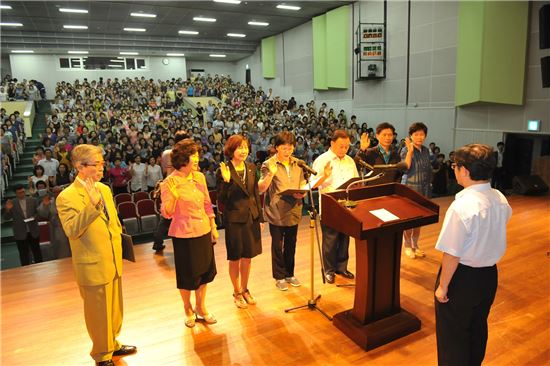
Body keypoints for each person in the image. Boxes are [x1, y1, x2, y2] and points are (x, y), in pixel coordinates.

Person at [55, 144, 136, 366]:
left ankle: (113, 343)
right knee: (98, 313)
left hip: (112, 258)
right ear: (80, 166)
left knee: (115, 307)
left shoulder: (105, 189)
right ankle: (101, 355)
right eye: (97, 164)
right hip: (91, 263)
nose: (102, 167)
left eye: (102, 162)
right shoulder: (66, 197)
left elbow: (113, 221)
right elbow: (72, 230)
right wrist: (91, 206)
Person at [434, 143, 512, 366]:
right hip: (489, 276)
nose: (453, 169)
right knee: (478, 327)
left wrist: (443, 286)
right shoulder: (499, 198)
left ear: (465, 170)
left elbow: (452, 254)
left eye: (455, 166)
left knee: (453, 335)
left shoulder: (462, 206)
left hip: (462, 278)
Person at [160, 139, 219, 328]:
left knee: (204, 272)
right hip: (183, 234)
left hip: (203, 230)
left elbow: (207, 204)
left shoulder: (199, 177)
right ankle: (187, 308)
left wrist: (213, 226)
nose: (196, 159)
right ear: (182, 158)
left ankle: (201, 307)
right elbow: (166, 213)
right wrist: (174, 198)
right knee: (187, 275)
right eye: (193, 156)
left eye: (197, 155)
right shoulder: (169, 183)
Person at [217, 135, 264, 309]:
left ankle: (245, 289)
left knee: (248, 257)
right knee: (235, 258)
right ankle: (236, 292)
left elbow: (255, 194)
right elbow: (221, 199)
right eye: (239, 148)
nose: (243, 151)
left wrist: (260, 217)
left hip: (251, 218)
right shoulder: (224, 169)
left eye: (245, 147)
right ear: (231, 150)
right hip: (234, 220)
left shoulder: (251, 168)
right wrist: (227, 181)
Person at [258, 131, 306, 291]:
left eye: (290, 148)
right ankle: (279, 276)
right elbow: (262, 188)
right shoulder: (268, 164)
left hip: (294, 208)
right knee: (278, 245)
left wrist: (302, 190)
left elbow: (302, 181)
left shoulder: (298, 163)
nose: (288, 151)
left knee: (291, 243)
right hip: (276, 211)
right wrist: (271, 173)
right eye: (284, 148)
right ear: (277, 148)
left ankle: (289, 274)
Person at [312, 130, 358, 284]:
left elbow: (356, 181)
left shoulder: (350, 160)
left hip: (347, 204)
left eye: (346, 147)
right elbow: (313, 184)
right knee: (330, 240)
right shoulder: (322, 160)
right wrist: (324, 176)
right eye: (341, 146)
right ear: (332, 143)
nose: (344, 150)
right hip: (329, 205)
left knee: (345, 238)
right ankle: (329, 270)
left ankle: (342, 267)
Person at [152, 130, 189, 252]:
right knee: (178, 213)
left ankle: (157, 241)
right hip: (179, 183)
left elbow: (164, 169)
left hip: (167, 182)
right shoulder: (184, 154)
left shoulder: (166, 153)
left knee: (167, 214)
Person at [400, 122, 432, 259]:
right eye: (416, 134)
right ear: (411, 136)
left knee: (419, 219)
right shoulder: (405, 150)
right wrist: (410, 152)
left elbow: (427, 168)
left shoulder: (425, 150)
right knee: (409, 218)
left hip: (423, 188)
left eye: (422, 134)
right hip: (410, 187)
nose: (419, 137)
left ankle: (415, 244)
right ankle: (407, 245)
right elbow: (405, 168)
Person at [2, 185, 42, 266]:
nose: (22, 194)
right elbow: (6, 218)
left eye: (23, 192)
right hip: (20, 231)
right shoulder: (12, 202)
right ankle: (25, 271)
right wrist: (8, 209)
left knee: (37, 251)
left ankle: (40, 268)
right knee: (23, 254)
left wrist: (35, 217)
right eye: (19, 193)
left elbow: (39, 213)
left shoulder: (33, 200)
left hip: (33, 230)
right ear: (16, 194)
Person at [36, 186, 71, 259]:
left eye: (59, 191)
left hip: (70, 226)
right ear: (53, 193)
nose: (58, 193)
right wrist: (45, 205)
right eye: (56, 192)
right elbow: (42, 214)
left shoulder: (69, 200)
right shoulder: (50, 202)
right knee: (60, 248)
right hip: (57, 228)